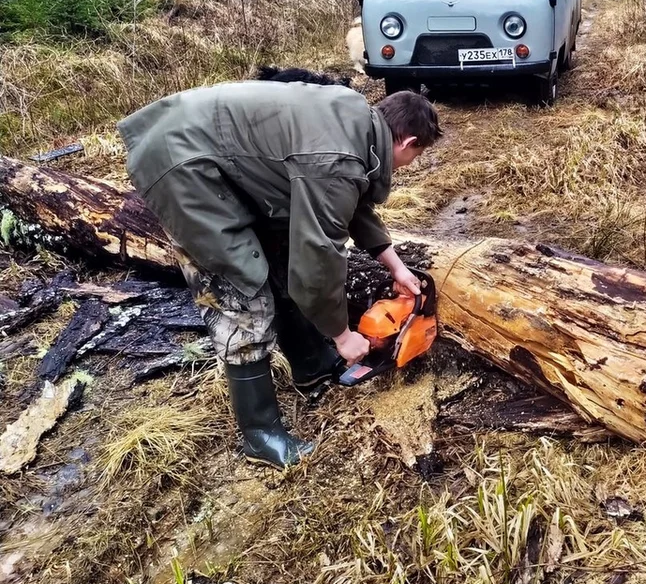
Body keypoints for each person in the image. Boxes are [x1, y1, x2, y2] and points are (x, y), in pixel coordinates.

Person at [118, 82, 441, 468]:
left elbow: (345, 201)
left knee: (279, 254)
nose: (411, 163)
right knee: (242, 285)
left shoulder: (356, 121)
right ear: (407, 141)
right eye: (417, 155)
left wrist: (396, 266)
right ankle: (260, 435)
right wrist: (342, 334)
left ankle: (311, 366)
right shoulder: (338, 156)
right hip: (181, 164)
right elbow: (318, 254)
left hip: (206, 151)